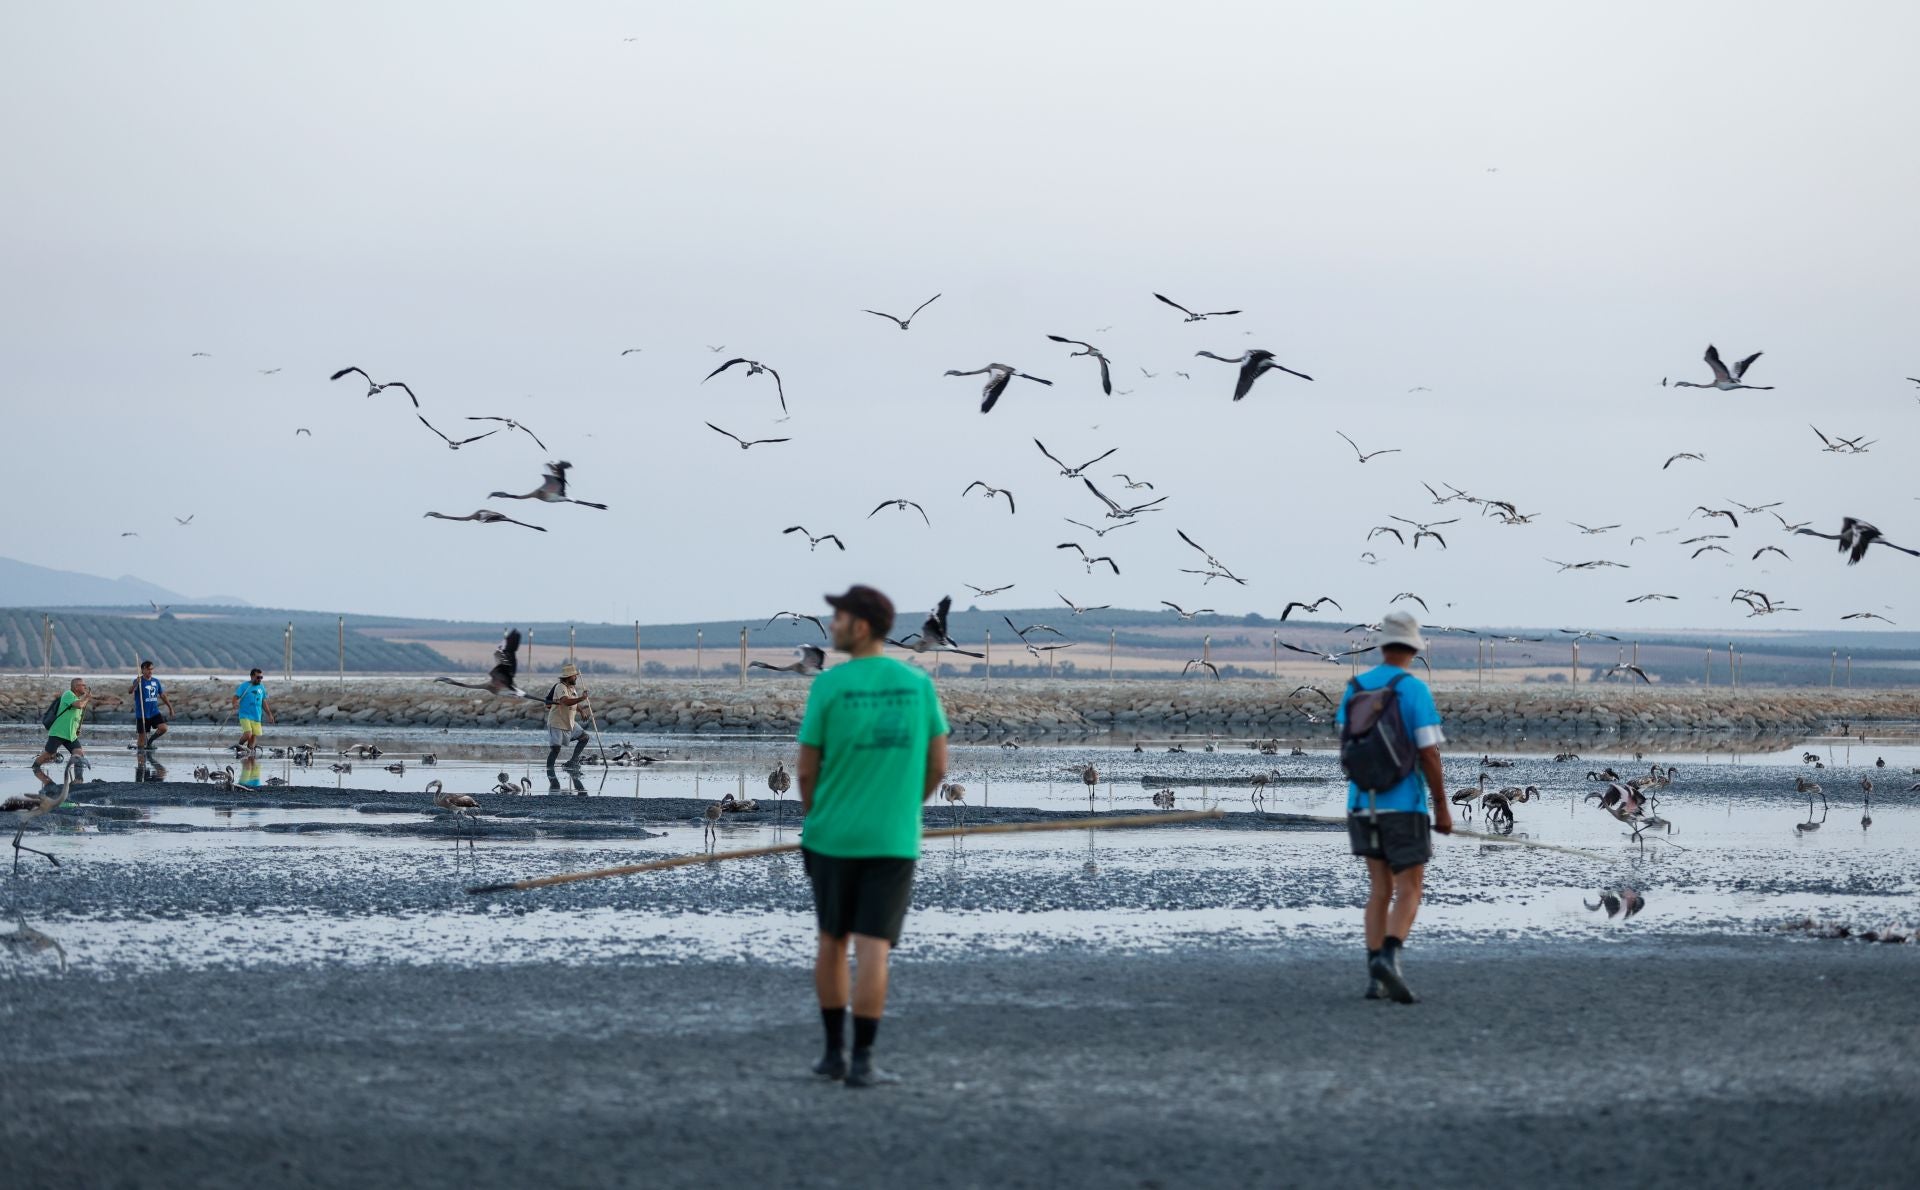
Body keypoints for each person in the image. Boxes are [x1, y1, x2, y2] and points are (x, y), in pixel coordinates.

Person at [796, 585, 949, 1088]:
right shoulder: (918, 685)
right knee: (875, 948)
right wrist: (901, 809)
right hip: (893, 836)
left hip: (831, 835)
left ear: (860, 626)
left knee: (832, 941)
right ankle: (863, 1061)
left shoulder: (829, 687)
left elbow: (806, 772)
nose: (832, 626)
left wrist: (819, 818)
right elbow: (937, 767)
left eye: (838, 617)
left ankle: (832, 1055)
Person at [1336, 610, 1451, 1004]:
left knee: (1379, 889)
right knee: (1410, 889)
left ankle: (1375, 978)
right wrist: (1442, 807)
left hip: (1361, 803)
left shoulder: (1356, 687)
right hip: (1405, 806)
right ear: (1413, 650)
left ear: (1383, 645)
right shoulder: (1414, 690)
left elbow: (1348, 745)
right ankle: (1388, 957)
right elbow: (1430, 755)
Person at [31, 677, 119, 784]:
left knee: (79, 753)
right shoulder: (68, 694)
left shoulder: (78, 698)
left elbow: (76, 717)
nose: (85, 687)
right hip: (58, 732)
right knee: (49, 754)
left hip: (70, 735)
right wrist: (87, 697)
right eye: (83, 685)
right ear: (76, 687)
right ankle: (36, 769)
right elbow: (79, 705)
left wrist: (77, 729)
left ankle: (78, 780)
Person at [543, 662, 592, 774]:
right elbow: (565, 701)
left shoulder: (572, 688)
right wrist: (582, 698)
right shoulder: (560, 687)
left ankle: (573, 760)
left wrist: (581, 710)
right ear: (569, 677)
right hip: (557, 723)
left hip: (569, 722)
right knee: (556, 749)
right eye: (574, 676)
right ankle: (549, 771)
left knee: (584, 737)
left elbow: (573, 702)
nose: (576, 677)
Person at [128, 660, 174, 751]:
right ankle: (141, 761)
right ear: (143, 670)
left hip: (154, 712)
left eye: (152, 669)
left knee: (163, 728)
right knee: (141, 739)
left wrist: (170, 708)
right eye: (148, 669)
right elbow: (130, 691)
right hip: (142, 714)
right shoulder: (138, 681)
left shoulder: (156, 681)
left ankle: (150, 742)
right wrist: (136, 683)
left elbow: (162, 695)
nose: (150, 671)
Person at [231, 668, 275, 753]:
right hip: (245, 715)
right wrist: (234, 703)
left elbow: (264, 702)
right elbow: (235, 697)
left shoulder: (261, 687)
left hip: (256, 716)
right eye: (257, 677)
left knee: (252, 741)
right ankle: (239, 746)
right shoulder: (244, 686)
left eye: (261, 677)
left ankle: (250, 758)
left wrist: (269, 715)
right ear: (251, 676)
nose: (259, 679)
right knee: (248, 733)